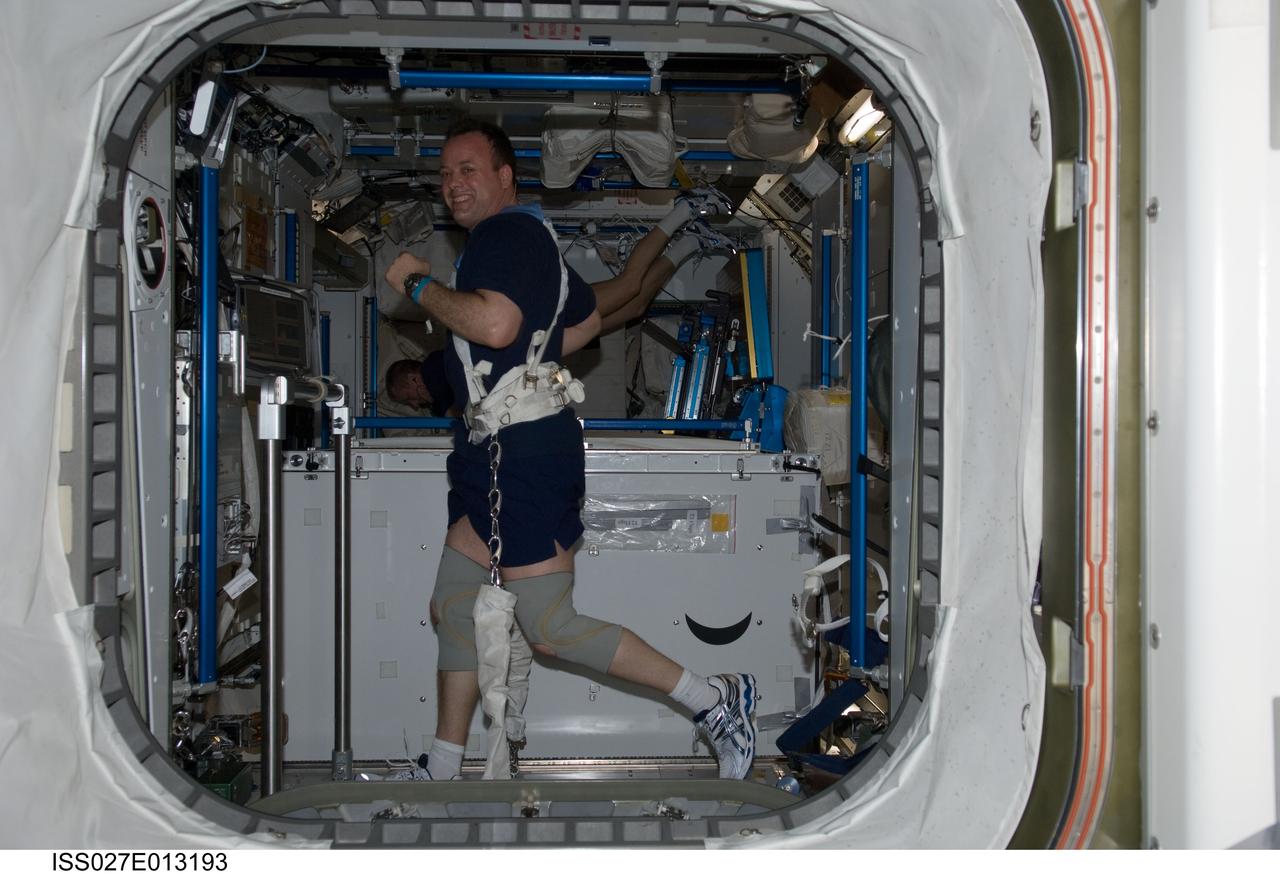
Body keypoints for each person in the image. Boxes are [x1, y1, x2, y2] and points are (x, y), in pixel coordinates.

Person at [383, 116, 757, 783]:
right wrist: (530, 360)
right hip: (490, 451)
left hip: (521, 454)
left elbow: (495, 323)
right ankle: (442, 766)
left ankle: (714, 701)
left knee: (550, 628)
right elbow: (581, 323)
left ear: (505, 177)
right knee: (453, 604)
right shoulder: (529, 243)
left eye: (468, 170)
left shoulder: (503, 234)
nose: (452, 184)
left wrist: (418, 284)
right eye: (444, 174)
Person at [384, 193, 736, 421]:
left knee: (629, 286)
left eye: (409, 396)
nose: (415, 404)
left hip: (549, 317)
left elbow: (454, 407)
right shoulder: (444, 372)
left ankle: (685, 209)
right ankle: (691, 241)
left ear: (414, 378)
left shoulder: (438, 373)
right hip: (547, 338)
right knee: (636, 306)